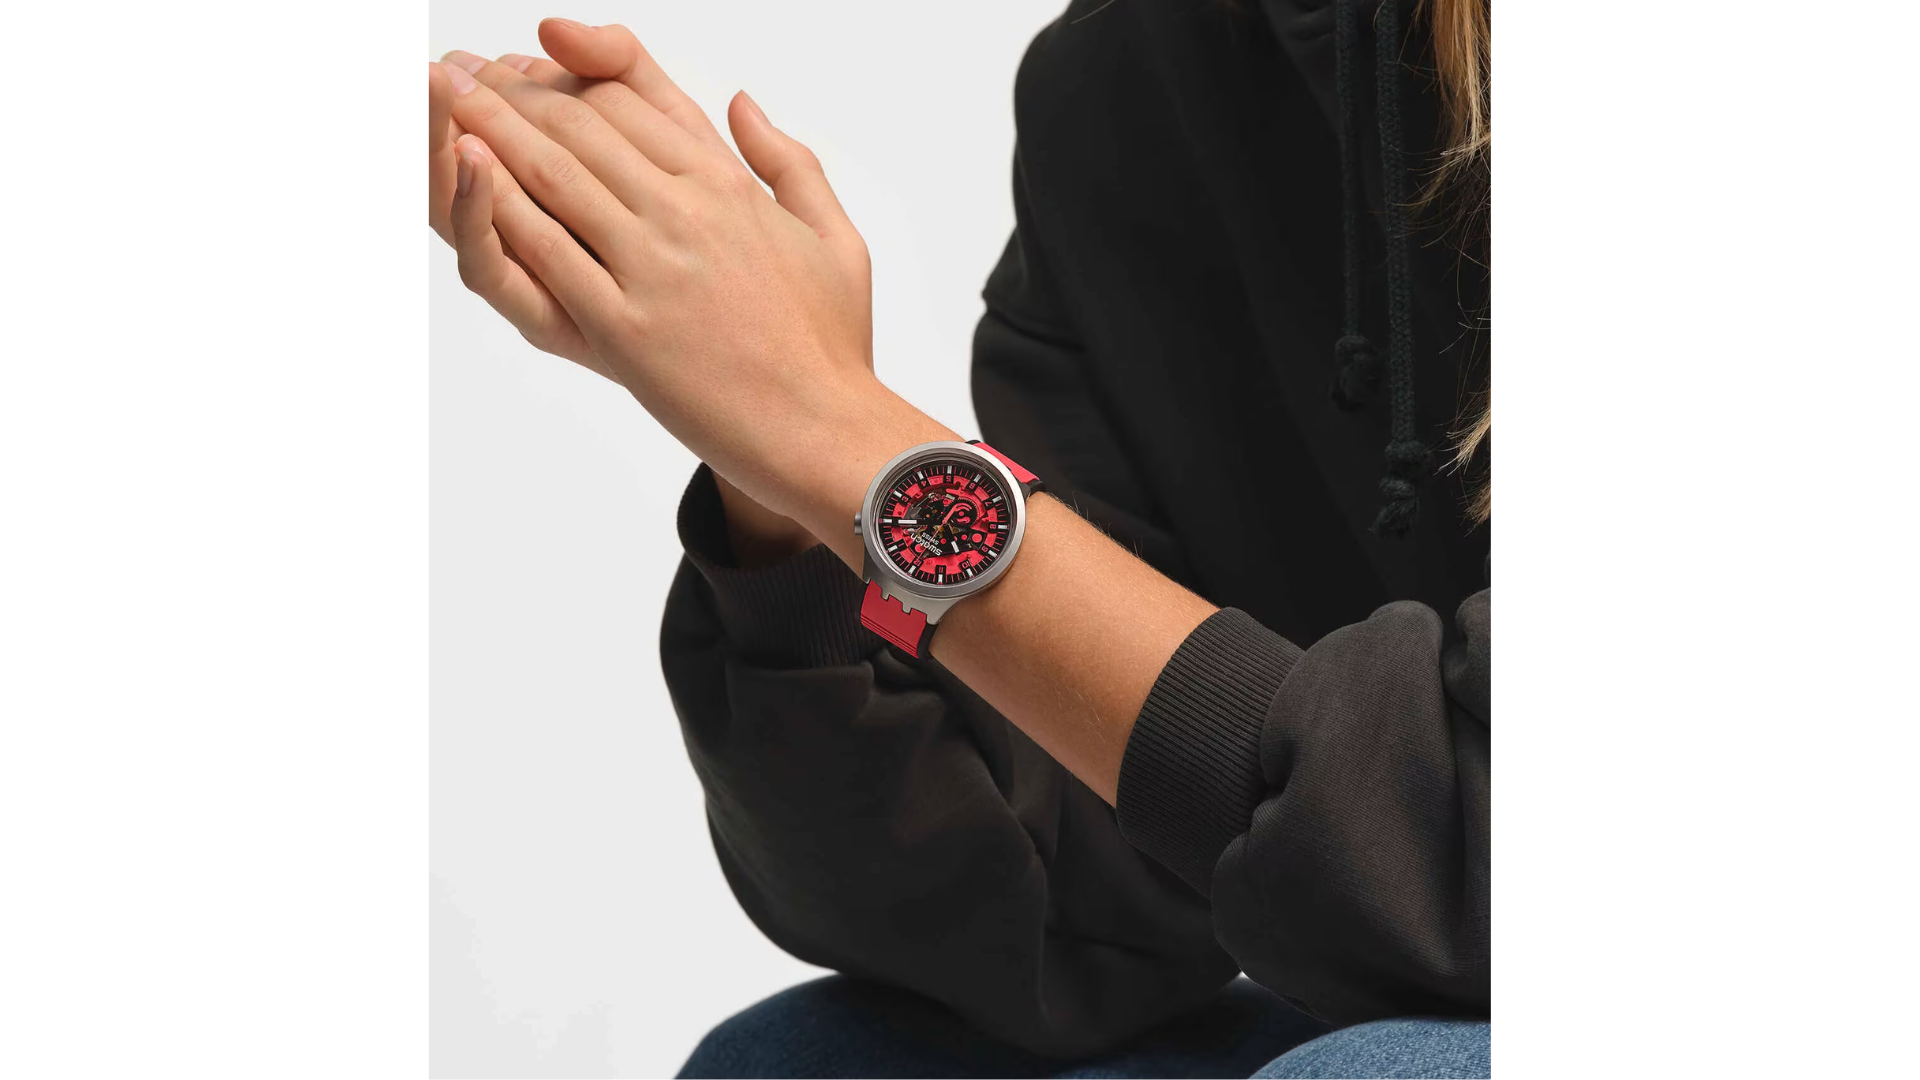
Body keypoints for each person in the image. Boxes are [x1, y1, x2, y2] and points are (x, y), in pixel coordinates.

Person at [426, 0, 1490, 1075]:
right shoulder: (1127, 80)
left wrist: (832, 431)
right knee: (790, 1064)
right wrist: (776, 479)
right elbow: (1066, 917)